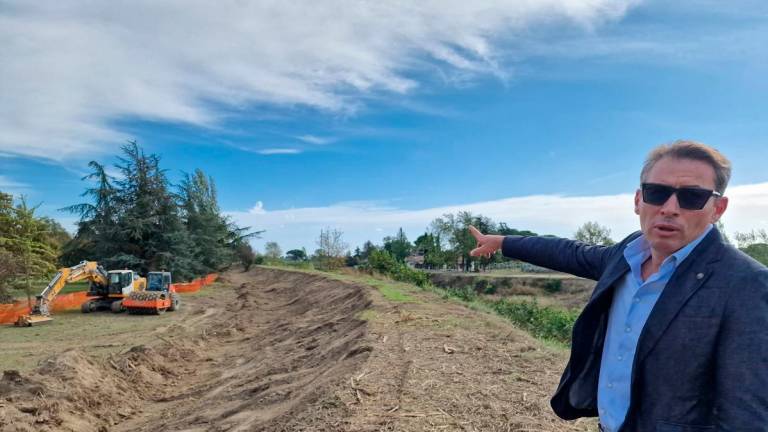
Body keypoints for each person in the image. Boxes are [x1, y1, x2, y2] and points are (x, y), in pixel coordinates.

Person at [469, 140, 768, 431]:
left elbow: (747, 411)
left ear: (718, 208)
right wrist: (504, 242)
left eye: (691, 197)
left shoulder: (744, 282)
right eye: (657, 192)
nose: (670, 208)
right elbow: (569, 252)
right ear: (639, 201)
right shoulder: (625, 256)